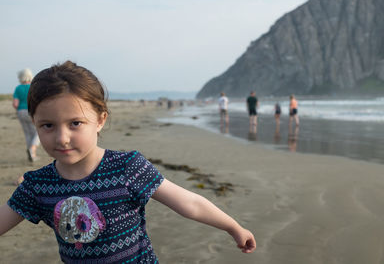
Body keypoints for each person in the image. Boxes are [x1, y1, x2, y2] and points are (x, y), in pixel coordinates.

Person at [0, 61, 256, 263]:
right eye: (48, 125)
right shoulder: (38, 185)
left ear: (100, 120)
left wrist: (233, 227)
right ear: (34, 123)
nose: (62, 137)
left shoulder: (126, 168)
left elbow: (188, 202)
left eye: (75, 123)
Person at [12, 68, 40, 162]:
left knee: (27, 133)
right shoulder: (33, 87)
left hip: (20, 112)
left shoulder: (18, 88)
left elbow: (15, 104)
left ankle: (32, 154)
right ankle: (32, 149)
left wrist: (20, 109)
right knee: (38, 132)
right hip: (31, 111)